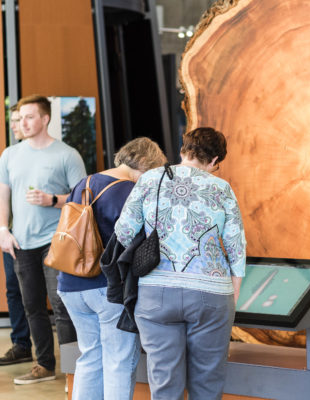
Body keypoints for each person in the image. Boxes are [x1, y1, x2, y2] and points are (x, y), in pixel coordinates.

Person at [115, 127, 247, 400]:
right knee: (208, 384)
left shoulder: (151, 179)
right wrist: (234, 295)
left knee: (164, 384)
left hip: (156, 292)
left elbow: (124, 232)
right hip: (211, 293)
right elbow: (236, 246)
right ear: (213, 161)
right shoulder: (221, 188)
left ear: (183, 150)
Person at [57, 137, 167, 400]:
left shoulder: (83, 184)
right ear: (144, 164)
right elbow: (136, 242)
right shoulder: (128, 190)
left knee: (90, 356)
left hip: (70, 283)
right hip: (106, 288)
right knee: (118, 361)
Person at [0, 95, 86, 384]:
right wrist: (3, 230)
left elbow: (83, 200)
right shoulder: (10, 155)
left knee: (62, 306)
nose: (22, 122)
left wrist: (53, 200)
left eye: (29, 117)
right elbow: (4, 196)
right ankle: (45, 366)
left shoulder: (67, 154)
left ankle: (75, 371)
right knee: (32, 306)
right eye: (20, 117)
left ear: (45, 119)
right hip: (21, 243)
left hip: (56, 242)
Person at [0, 105, 32, 365]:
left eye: (18, 120)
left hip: (41, 237)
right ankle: (21, 344)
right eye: (12, 121)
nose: (14, 125)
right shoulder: (9, 155)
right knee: (13, 289)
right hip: (13, 236)